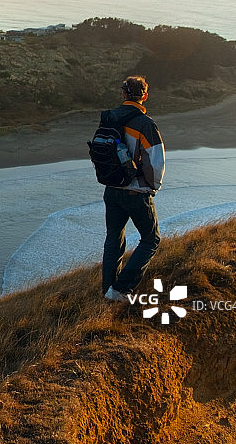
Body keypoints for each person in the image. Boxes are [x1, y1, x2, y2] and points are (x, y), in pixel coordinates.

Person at [101, 75, 165, 302]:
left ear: (123, 94)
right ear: (145, 96)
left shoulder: (109, 118)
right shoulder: (145, 124)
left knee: (113, 239)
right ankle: (121, 290)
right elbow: (156, 161)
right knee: (151, 239)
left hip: (111, 188)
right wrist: (153, 187)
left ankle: (108, 291)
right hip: (136, 190)